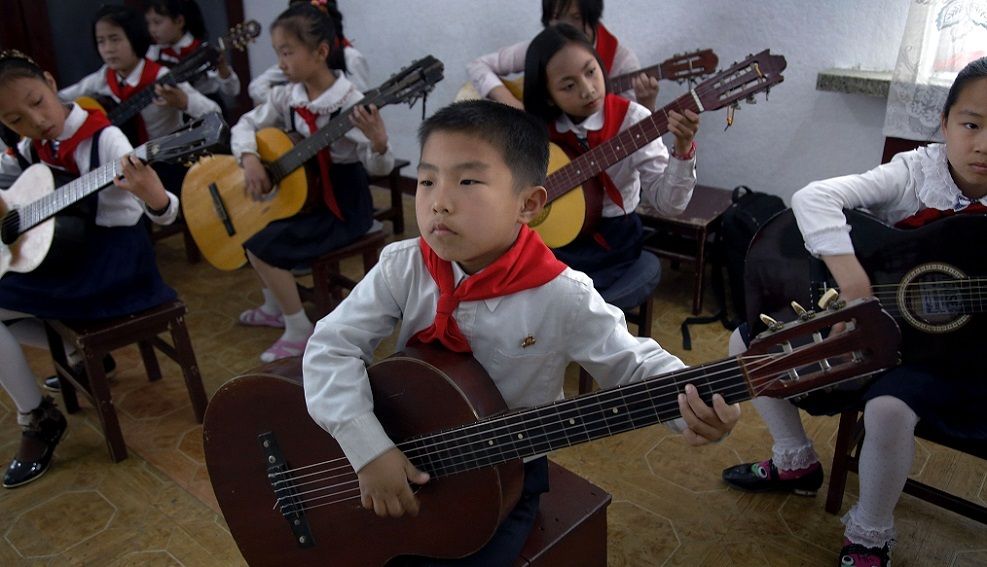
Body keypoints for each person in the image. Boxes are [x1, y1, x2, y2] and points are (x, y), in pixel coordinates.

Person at [302, 99, 739, 565]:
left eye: (467, 181)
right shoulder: (403, 266)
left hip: (504, 471)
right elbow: (331, 346)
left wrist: (697, 404)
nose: (438, 201)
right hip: (407, 437)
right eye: (428, 180)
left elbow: (633, 363)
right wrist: (368, 448)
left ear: (528, 204)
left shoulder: (562, 295)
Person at [720, 56, 987, 567]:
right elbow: (814, 197)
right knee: (746, 343)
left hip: (953, 358)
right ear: (945, 123)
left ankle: (870, 532)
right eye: (971, 125)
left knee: (888, 410)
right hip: (878, 330)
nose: (983, 144)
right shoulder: (915, 172)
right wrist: (852, 280)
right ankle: (794, 460)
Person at [0, 50, 180, 488]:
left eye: (36, 101)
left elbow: (167, 213)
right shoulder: (28, 150)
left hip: (118, 266)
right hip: (65, 260)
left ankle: (37, 418)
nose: (34, 121)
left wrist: (155, 194)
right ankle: (77, 356)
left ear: (49, 79)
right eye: (15, 119)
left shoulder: (108, 140)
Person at [231, 2, 393, 362]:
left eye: (287, 52)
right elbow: (244, 124)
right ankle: (275, 306)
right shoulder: (287, 95)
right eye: (277, 53)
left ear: (321, 52)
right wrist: (249, 157)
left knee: (261, 244)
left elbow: (379, 166)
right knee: (249, 228)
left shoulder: (351, 102)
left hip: (342, 204)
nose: (281, 63)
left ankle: (298, 327)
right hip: (303, 195)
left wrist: (380, 142)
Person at [523, 23, 698, 290]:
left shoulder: (633, 120)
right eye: (568, 86)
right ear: (548, 97)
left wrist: (683, 150)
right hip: (549, 237)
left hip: (611, 240)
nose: (588, 89)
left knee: (562, 290)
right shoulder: (541, 127)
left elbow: (669, 205)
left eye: (591, 72)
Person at [57, 4, 219, 199]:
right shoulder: (102, 78)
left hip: (167, 164)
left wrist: (184, 102)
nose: (108, 49)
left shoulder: (161, 76)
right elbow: (61, 99)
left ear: (134, 38)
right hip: (123, 168)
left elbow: (214, 111)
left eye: (115, 39)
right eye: (101, 41)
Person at [466, 0, 658, 110]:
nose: (564, 27)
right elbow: (477, 65)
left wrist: (646, 102)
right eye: (557, 18)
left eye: (575, 17)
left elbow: (633, 138)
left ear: (592, 17)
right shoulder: (539, 50)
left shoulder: (621, 61)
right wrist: (512, 104)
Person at [248, 0, 369, 105]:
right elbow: (256, 87)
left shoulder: (351, 58)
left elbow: (361, 109)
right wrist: (286, 104)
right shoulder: (296, 63)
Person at [144, 0, 242, 111]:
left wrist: (223, 67)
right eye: (148, 23)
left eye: (157, 22)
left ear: (179, 21)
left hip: (206, 110)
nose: (151, 29)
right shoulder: (153, 53)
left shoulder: (202, 51)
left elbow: (233, 90)